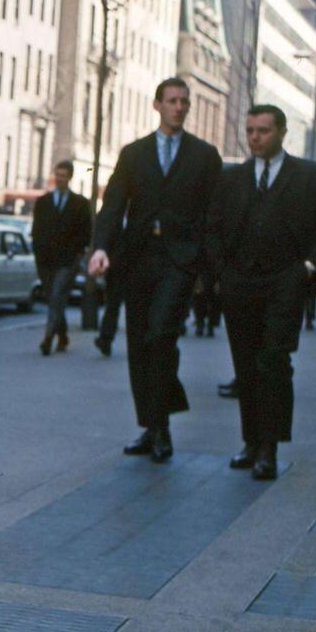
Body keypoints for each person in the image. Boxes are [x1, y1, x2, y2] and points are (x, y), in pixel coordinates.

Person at [88, 77, 222, 463]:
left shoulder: (204, 156)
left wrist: (205, 268)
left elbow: (214, 213)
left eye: (184, 102)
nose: (179, 108)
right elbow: (113, 206)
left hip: (180, 261)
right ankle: (150, 426)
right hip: (138, 259)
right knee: (139, 343)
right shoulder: (134, 154)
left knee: (162, 335)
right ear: (157, 105)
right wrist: (100, 248)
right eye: (172, 101)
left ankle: (161, 427)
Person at [207, 105, 316, 481]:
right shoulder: (232, 178)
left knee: (275, 363)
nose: (255, 137)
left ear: (282, 133)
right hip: (240, 285)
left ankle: (269, 447)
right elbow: (212, 228)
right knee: (245, 366)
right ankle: (250, 442)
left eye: (263, 130)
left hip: (285, 283)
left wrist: (308, 268)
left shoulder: (307, 176)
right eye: (250, 130)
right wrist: (221, 273)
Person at [31, 159, 92, 355]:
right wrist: (38, 252)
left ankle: (48, 338)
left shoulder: (80, 204)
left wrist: (78, 253)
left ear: (70, 178)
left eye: (63, 176)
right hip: (46, 261)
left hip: (67, 261)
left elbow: (86, 232)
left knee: (57, 295)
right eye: (57, 175)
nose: (59, 179)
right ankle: (63, 335)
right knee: (54, 299)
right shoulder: (43, 202)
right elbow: (36, 230)